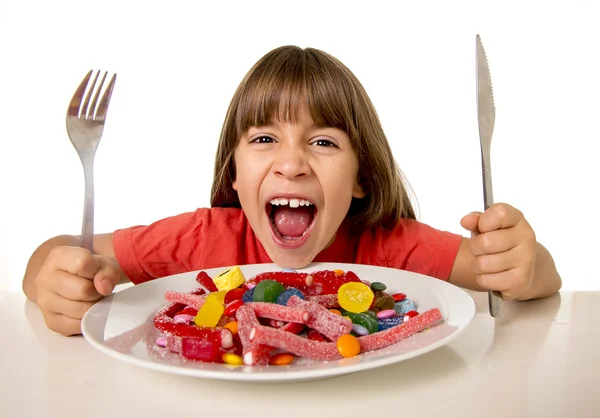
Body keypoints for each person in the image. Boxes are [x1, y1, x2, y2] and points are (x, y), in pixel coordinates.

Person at [22, 45, 562, 336]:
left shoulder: (389, 245)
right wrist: (55, 277)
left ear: (360, 179)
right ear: (233, 173)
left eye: (323, 142)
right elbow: (66, 250)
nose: (291, 163)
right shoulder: (202, 239)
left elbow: (527, 275)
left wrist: (523, 263)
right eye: (263, 138)